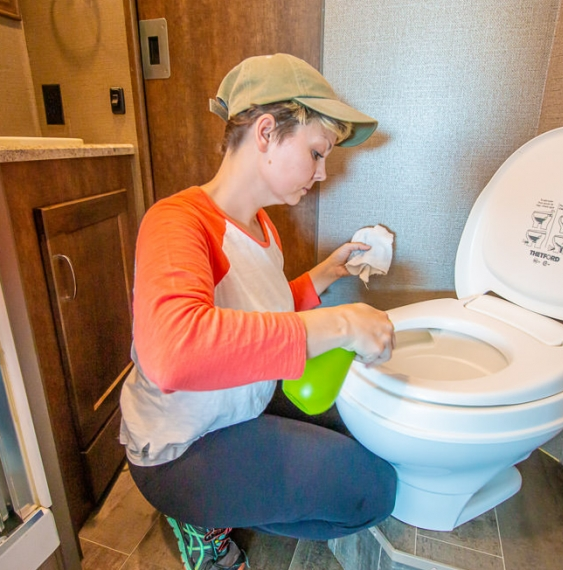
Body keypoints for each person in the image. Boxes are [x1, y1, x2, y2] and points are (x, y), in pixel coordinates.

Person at [119, 53, 397, 570]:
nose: (321, 173)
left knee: (363, 436)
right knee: (373, 491)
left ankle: (229, 495)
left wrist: (328, 274)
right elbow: (174, 352)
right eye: (317, 153)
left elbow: (261, 311)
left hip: (238, 406)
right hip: (182, 445)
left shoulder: (263, 229)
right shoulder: (177, 221)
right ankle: (202, 519)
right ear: (267, 132)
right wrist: (339, 323)